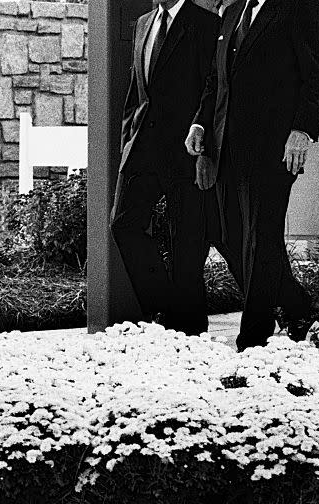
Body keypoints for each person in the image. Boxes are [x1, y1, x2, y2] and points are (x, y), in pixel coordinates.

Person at [186, 0, 319, 350]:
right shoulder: (233, 13)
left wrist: (303, 131)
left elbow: (316, 75)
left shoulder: (301, 8)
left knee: (261, 237)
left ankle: (253, 338)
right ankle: (297, 306)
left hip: (274, 147)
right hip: (226, 148)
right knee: (226, 233)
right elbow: (217, 79)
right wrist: (201, 123)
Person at [110, 0, 220, 336]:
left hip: (187, 150)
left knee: (186, 244)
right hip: (142, 149)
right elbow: (137, 91)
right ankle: (168, 309)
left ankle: (190, 334)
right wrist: (127, 138)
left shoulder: (205, 24)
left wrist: (207, 152)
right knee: (124, 225)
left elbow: (213, 89)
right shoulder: (144, 23)